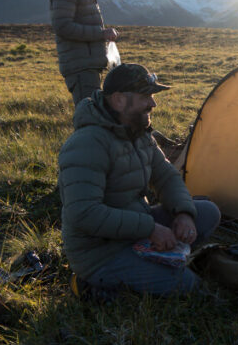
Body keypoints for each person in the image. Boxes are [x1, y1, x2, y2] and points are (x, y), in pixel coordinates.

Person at [58, 63, 221, 294]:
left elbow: (166, 176)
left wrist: (183, 213)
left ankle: (155, 261)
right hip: (101, 252)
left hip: (136, 227)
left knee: (207, 212)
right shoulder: (87, 144)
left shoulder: (137, 133)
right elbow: (85, 214)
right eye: (145, 96)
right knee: (188, 286)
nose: (153, 103)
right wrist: (150, 229)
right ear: (119, 100)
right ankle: (90, 286)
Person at [49, 0, 119, 105]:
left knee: (95, 113)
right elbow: (63, 27)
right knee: (89, 115)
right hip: (81, 68)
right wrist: (101, 34)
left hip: (88, 65)